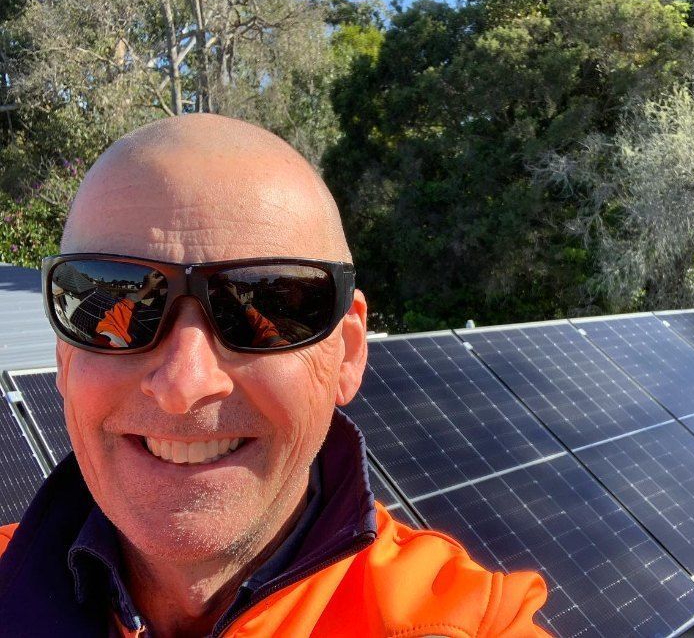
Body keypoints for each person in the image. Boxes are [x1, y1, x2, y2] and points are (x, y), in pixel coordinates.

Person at [0, 114, 550, 637]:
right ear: (65, 351)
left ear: (348, 353)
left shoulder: (463, 620)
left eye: (267, 307)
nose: (183, 385)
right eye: (106, 301)